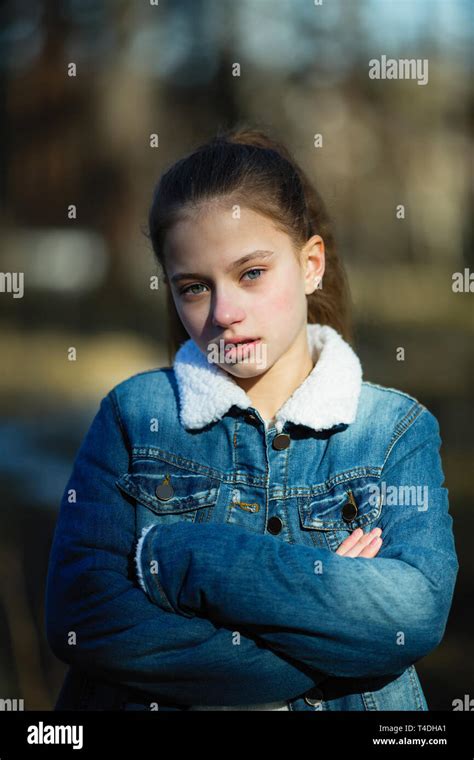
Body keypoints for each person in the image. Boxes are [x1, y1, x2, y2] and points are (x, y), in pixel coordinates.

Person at [45, 125, 459, 711]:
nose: (224, 312)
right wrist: (327, 614)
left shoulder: (393, 431)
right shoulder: (134, 417)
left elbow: (411, 614)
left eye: (251, 273)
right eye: (193, 287)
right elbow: (81, 617)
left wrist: (185, 559)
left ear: (310, 264)